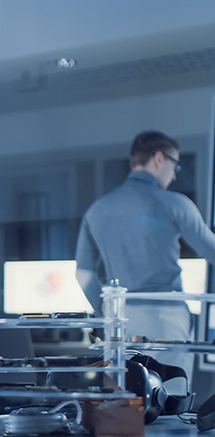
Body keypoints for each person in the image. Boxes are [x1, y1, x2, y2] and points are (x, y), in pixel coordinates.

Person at [76, 130, 215, 376]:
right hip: (166, 317)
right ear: (159, 159)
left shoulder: (97, 210)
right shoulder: (175, 203)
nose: (173, 176)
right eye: (175, 166)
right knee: (169, 400)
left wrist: (107, 312)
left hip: (120, 321)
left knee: (122, 406)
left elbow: (83, 274)